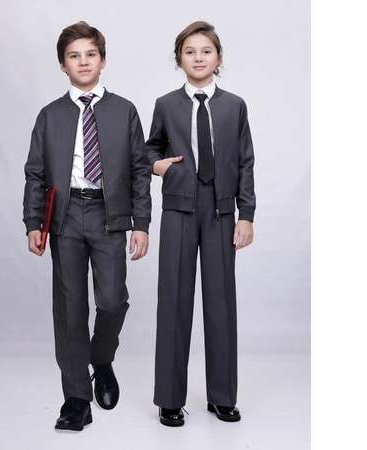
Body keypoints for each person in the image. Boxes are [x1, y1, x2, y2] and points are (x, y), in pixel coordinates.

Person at [22, 21, 151, 431]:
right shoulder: (50, 116)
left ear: (103, 60)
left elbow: (140, 170)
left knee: (112, 301)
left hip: (109, 215)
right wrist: (33, 222)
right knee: (70, 309)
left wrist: (141, 224)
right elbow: (35, 173)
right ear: (63, 65)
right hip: (64, 218)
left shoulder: (124, 111)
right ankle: (76, 398)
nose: (83, 62)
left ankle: (102, 357)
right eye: (74, 56)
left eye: (90, 54)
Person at [146, 20, 256, 427]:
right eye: (189, 51)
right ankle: (169, 399)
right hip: (179, 209)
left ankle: (222, 397)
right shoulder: (166, 104)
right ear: (179, 59)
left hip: (221, 212)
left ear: (218, 57)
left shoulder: (234, 106)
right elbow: (148, 150)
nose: (198, 57)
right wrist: (159, 166)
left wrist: (246, 215)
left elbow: (245, 161)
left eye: (206, 50)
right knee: (174, 301)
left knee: (220, 304)